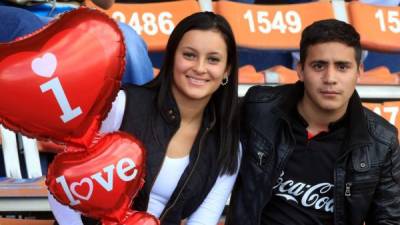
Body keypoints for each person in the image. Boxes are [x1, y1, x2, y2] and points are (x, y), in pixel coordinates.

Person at [49, 11, 241, 225]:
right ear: (172, 58)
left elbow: (203, 220)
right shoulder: (123, 105)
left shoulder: (227, 144)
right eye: (189, 55)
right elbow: (61, 185)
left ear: (226, 71)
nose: (199, 68)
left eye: (213, 59)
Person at [226, 19, 400, 225]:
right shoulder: (258, 108)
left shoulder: (382, 141)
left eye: (342, 67)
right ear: (300, 70)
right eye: (319, 66)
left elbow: (389, 220)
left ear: (359, 72)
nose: (330, 78)